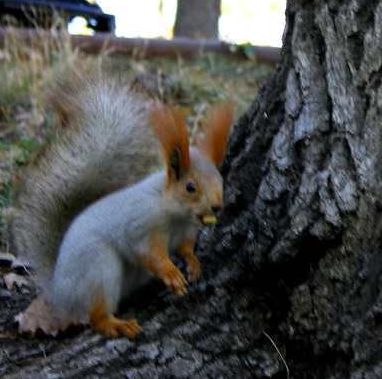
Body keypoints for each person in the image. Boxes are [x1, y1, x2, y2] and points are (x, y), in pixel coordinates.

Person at [13, 67, 234, 338]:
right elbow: (142, 246)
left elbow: (182, 236)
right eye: (192, 190)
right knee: (103, 255)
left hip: (124, 275)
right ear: (173, 174)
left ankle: (121, 299)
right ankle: (101, 318)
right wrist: (164, 266)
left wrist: (187, 254)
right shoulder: (151, 206)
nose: (211, 206)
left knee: (128, 262)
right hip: (82, 272)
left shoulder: (184, 210)